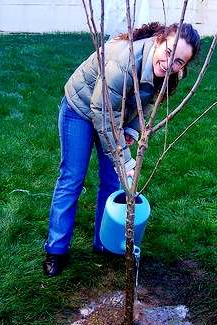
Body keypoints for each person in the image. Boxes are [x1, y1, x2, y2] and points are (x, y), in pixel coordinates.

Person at [43, 22, 201, 276]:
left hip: (114, 117)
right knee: (72, 178)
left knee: (110, 183)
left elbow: (148, 104)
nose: (170, 63)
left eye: (180, 62)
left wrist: (132, 130)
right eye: (170, 52)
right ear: (159, 40)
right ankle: (56, 250)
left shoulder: (171, 72)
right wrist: (126, 162)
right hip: (81, 110)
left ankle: (103, 242)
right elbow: (102, 112)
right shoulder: (124, 60)